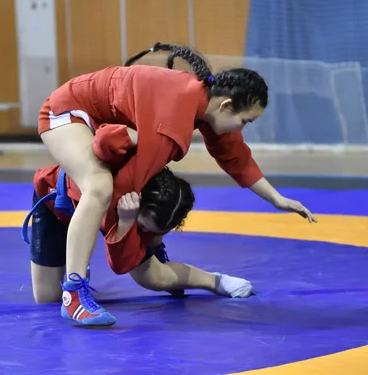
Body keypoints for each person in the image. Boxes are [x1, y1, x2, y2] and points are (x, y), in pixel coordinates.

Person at [37, 42, 317, 326]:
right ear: (226, 105)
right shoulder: (169, 126)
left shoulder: (200, 100)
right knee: (100, 187)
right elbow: (124, 192)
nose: (241, 129)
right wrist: (129, 243)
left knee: (125, 188)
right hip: (67, 111)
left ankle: (154, 250)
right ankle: (74, 292)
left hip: (96, 121)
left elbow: (235, 155)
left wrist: (275, 198)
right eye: (245, 121)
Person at [23, 124, 254, 326]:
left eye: (157, 232)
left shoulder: (145, 191)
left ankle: (215, 281)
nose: (147, 232)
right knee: (47, 297)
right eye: (145, 229)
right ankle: (151, 250)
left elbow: (123, 261)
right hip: (55, 204)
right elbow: (120, 264)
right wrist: (137, 137)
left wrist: (129, 224)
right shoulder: (112, 193)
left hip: (126, 213)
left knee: (154, 278)